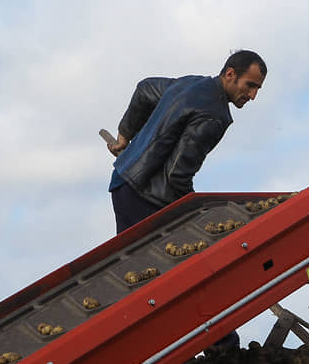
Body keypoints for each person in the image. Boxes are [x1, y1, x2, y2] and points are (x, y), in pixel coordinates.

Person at [107, 49, 267, 234]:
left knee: (130, 258)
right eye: (250, 85)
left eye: (257, 89)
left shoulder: (191, 83)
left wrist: (124, 135)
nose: (253, 95)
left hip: (122, 180)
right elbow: (177, 174)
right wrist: (198, 212)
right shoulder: (214, 115)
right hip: (147, 200)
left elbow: (145, 89)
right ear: (230, 74)